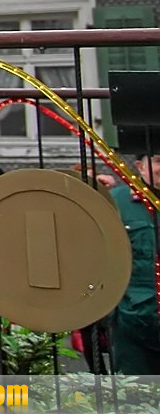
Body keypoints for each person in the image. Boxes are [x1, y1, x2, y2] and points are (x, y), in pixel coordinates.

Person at [110, 151, 160, 373]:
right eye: (158, 161)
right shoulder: (117, 202)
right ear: (140, 166)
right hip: (133, 319)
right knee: (136, 389)